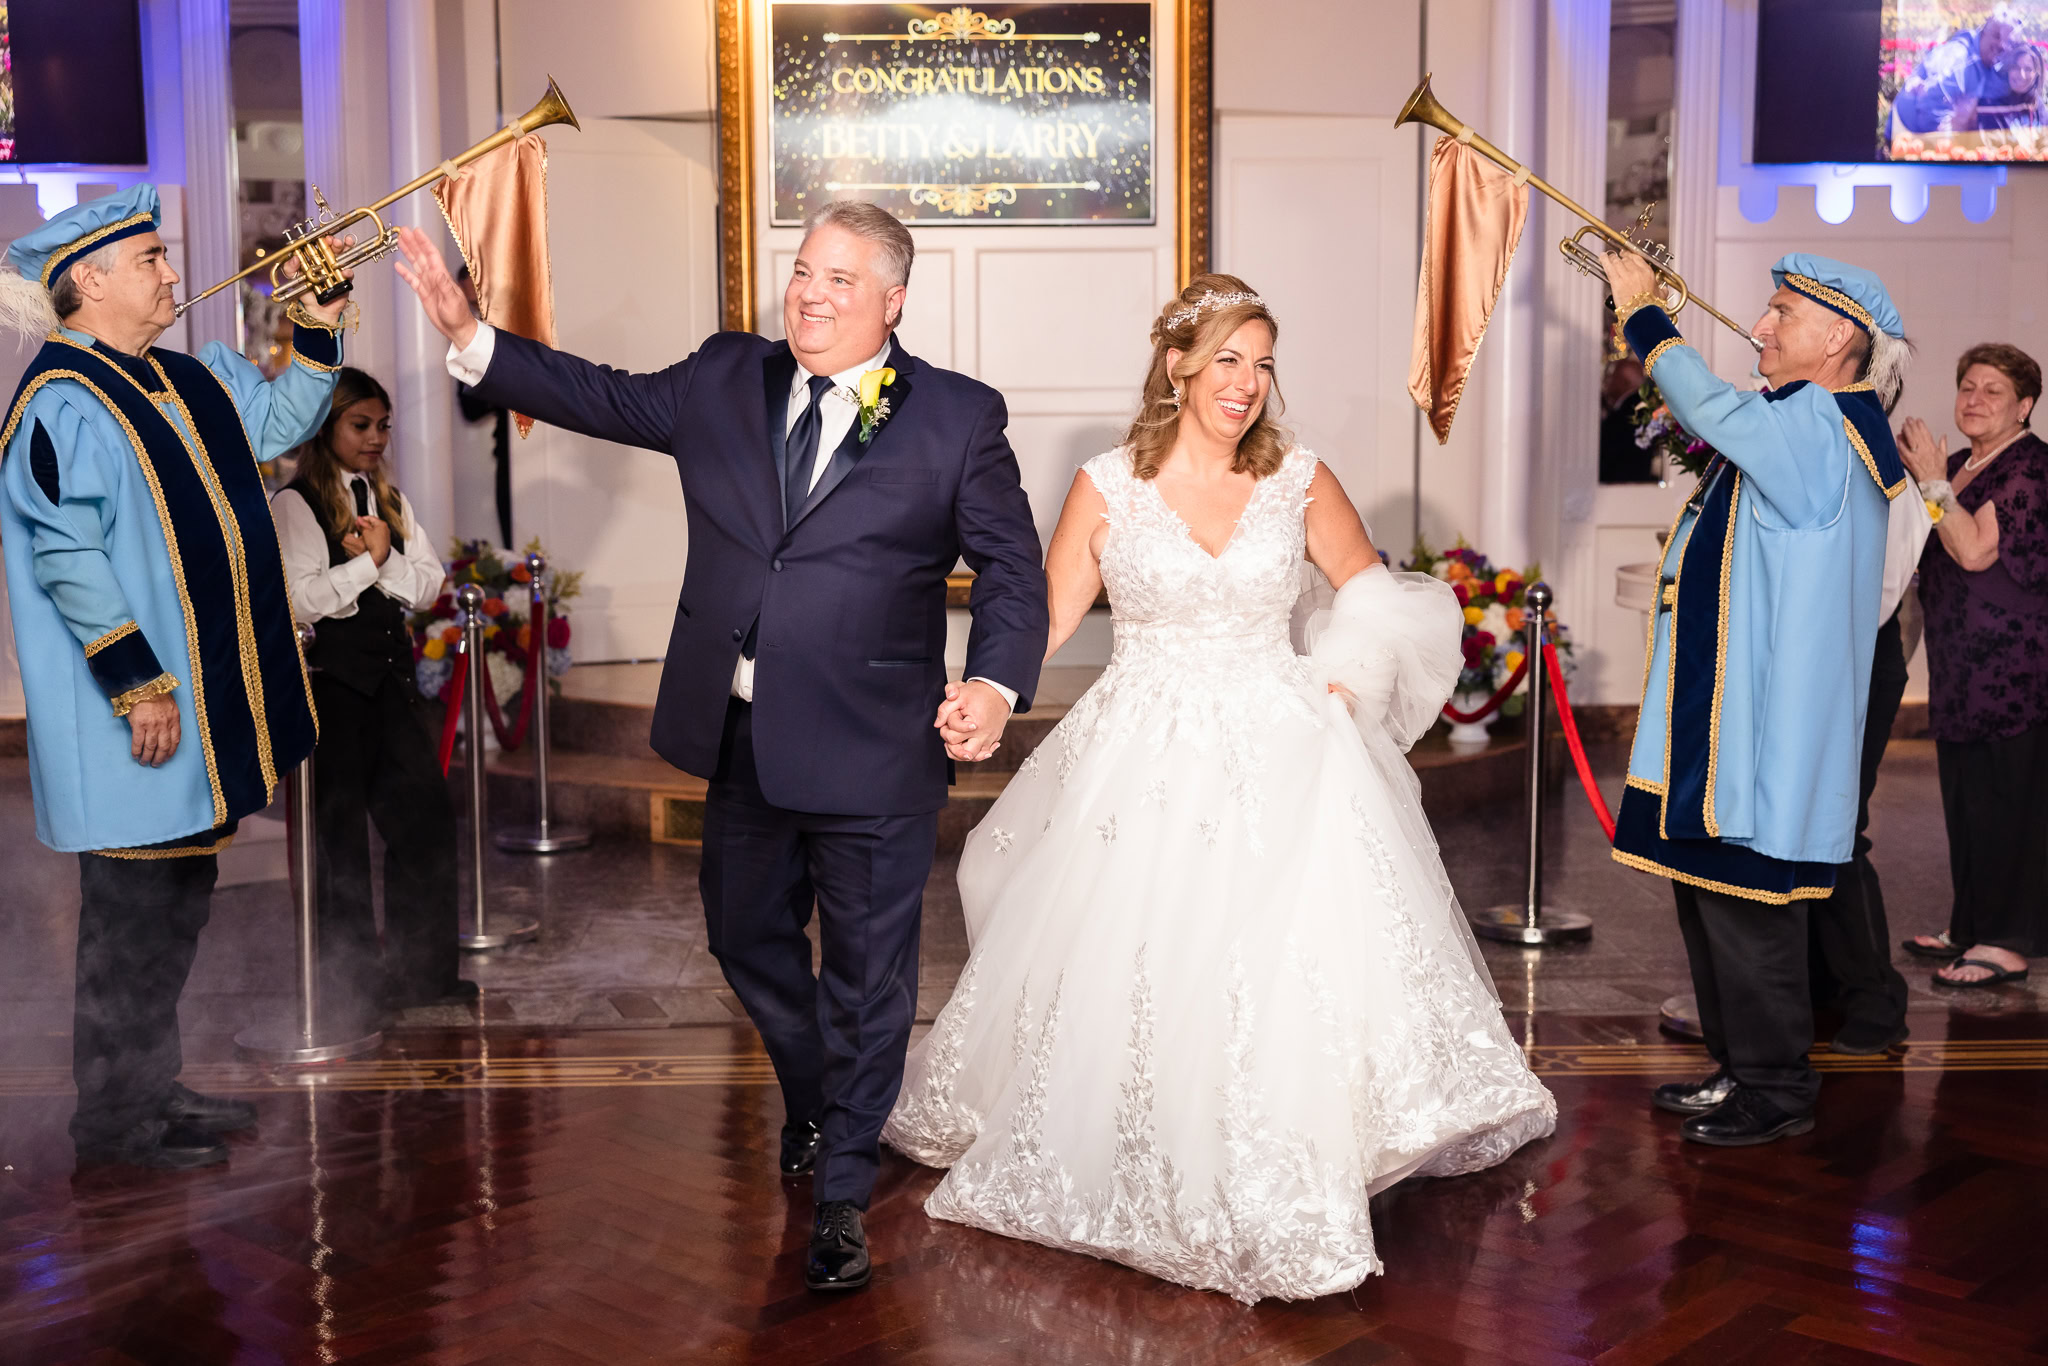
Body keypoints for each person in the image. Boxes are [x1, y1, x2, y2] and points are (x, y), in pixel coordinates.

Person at [391, 201, 1048, 1292]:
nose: (811, 294)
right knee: (742, 937)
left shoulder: (957, 419)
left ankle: (841, 1190)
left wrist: (991, 678)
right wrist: (470, 335)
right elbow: (593, 395)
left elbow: (1013, 569)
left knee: (869, 980)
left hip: (877, 748)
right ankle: (820, 1092)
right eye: (802, 271)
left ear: (891, 300)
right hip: (741, 737)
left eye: (841, 279)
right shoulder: (721, 378)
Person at [882, 277, 1556, 1304]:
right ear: (1177, 367)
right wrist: (988, 687)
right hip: (1139, 744)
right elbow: (1049, 612)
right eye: (1227, 360)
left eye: (1263, 363)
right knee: (1134, 950)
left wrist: (1346, 672)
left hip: (1280, 740)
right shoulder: (1106, 483)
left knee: (1284, 959)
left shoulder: (1297, 477)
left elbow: (1370, 596)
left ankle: (1291, 1142)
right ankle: (1142, 1128)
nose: (1246, 384)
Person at [0, 185, 349, 1169]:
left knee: (178, 898)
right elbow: (64, 555)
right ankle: (112, 1123)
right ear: (91, 280)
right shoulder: (58, 405)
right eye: (151, 257)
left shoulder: (184, 375)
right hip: (135, 713)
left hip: (202, 703)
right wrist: (137, 682)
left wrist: (315, 326)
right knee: (127, 919)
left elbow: (280, 418)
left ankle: (152, 1087)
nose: (171, 273)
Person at [1603, 249, 1912, 1146]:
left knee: (1748, 913)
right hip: (1726, 716)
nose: (1760, 327)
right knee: (1707, 899)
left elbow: (1705, 404)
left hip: (1759, 731)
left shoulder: (1826, 421)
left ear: (1840, 339)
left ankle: (1776, 1088)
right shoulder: (1806, 418)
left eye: (1782, 313)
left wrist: (1645, 314)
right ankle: (1740, 1069)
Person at [272, 367, 470, 1030]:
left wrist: (382, 559)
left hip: (390, 688)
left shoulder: (390, 499)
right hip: (332, 694)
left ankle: (424, 973)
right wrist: (369, 566)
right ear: (326, 428)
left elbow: (428, 585)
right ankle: (346, 988)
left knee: (425, 821)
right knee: (339, 843)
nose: (376, 437)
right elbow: (301, 597)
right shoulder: (296, 504)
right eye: (362, 424)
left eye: (383, 424)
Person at [1898, 343, 2048, 989]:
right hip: (1961, 665)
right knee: (1966, 800)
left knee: (2010, 803)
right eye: (1967, 386)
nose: (1974, 400)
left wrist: (1931, 481)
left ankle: (2010, 939)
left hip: (2016, 669)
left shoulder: (2029, 469)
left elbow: (1975, 552)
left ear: (2025, 406)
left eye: (1993, 390)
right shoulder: (1959, 464)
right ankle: (1972, 921)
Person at [453, 265, 514, 549]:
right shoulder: (475, 342)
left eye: (479, 301)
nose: (478, 311)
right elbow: (469, 408)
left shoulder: (519, 326)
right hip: (507, 453)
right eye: (472, 305)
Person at [1893, 7, 2021, 134]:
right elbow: (1929, 104)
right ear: (1983, 32)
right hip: (1909, 138)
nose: (2002, 45)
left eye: (2008, 41)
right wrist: (1944, 143)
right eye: (1996, 36)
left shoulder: (1987, 61)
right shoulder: (1960, 60)